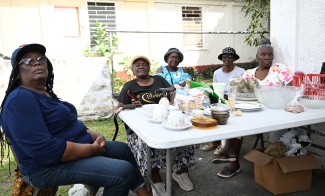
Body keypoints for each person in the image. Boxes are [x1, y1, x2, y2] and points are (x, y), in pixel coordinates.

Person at [0, 44, 150, 196]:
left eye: (40, 59)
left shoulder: (43, 93)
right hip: (46, 167)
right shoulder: (20, 100)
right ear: (17, 72)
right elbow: (45, 150)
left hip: (71, 149)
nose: (36, 62)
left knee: (122, 150)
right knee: (121, 172)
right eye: (28, 61)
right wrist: (92, 149)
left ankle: (142, 192)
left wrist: (93, 135)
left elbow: (66, 125)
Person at [212, 38, 293, 178]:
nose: (267, 57)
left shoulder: (280, 69)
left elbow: (291, 88)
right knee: (235, 119)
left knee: (239, 120)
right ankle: (231, 157)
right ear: (257, 57)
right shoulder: (248, 73)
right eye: (263, 54)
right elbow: (239, 93)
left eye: (270, 54)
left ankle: (229, 154)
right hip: (253, 111)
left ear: (273, 56)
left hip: (274, 111)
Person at [117, 55, 195, 196]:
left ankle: (179, 171)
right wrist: (132, 105)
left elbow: (172, 91)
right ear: (133, 70)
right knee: (148, 143)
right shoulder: (129, 86)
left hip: (165, 120)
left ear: (149, 68)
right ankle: (155, 177)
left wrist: (172, 98)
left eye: (144, 64)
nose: (141, 66)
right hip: (142, 126)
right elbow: (120, 106)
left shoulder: (159, 80)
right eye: (137, 65)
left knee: (182, 135)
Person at [201, 47, 245, 154]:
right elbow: (215, 89)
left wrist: (227, 97)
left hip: (235, 101)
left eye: (230, 57)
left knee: (229, 121)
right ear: (222, 59)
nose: (227, 59)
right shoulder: (217, 73)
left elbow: (243, 90)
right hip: (219, 101)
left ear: (234, 58)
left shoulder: (241, 71)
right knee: (213, 116)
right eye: (224, 57)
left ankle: (223, 144)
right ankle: (215, 141)